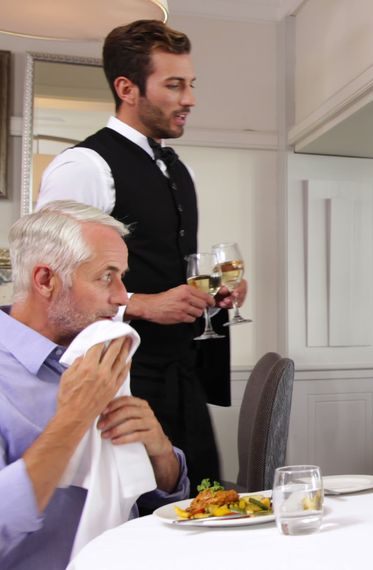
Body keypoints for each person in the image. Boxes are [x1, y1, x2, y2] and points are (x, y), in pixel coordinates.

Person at [37, 20, 247, 492]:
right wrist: (143, 304)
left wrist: (212, 294)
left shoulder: (178, 166)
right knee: (141, 517)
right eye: (173, 85)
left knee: (200, 500)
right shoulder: (84, 166)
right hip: (120, 383)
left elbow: (165, 265)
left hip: (184, 373)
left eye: (190, 84)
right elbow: (48, 280)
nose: (189, 98)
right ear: (127, 88)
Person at [0, 201, 189, 569]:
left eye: (122, 276)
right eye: (107, 276)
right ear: (45, 280)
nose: (121, 297)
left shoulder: (97, 352)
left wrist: (160, 450)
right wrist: (74, 417)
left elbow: (162, 499)